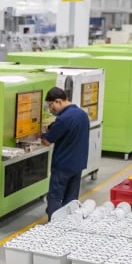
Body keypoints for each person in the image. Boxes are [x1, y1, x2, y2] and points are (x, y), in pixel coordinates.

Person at [40, 86, 90, 220]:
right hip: (78, 164)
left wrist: (41, 133)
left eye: (51, 105)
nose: (51, 110)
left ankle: (54, 225)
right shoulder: (82, 114)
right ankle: (68, 224)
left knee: (55, 197)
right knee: (71, 198)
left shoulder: (63, 119)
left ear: (58, 101)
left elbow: (47, 142)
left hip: (63, 166)